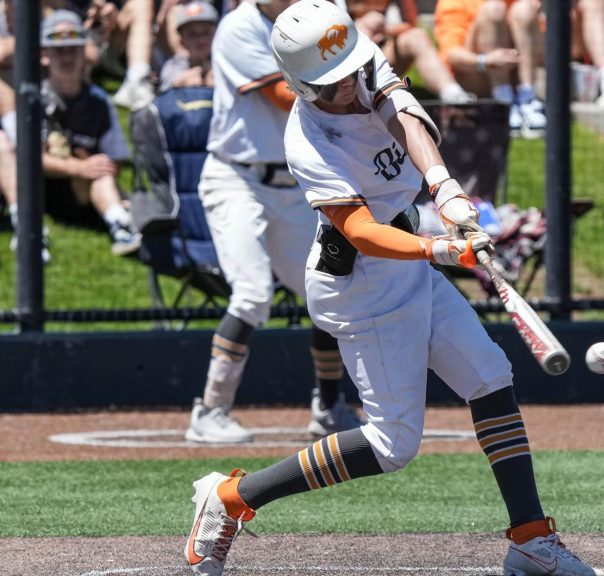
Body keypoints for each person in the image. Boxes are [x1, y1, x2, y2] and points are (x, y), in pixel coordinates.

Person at [184, 3, 604, 576]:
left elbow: (406, 118)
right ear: (304, 86)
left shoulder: (355, 57)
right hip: (361, 286)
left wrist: (448, 192)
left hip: (409, 264)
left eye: (354, 71)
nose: (352, 86)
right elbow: (360, 231)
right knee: (391, 445)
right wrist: (443, 249)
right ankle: (231, 498)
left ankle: (530, 538)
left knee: (489, 376)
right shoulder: (309, 141)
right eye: (334, 84)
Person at [185, 0, 362, 445]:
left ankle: (328, 406)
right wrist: (356, 100)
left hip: (292, 185)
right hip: (237, 177)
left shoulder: (321, 14)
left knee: (327, 291)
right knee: (252, 295)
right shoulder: (239, 26)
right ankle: (209, 411)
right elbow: (283, 95)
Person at [4, 10, 140, 258]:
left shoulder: (99, 101)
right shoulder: (33, 99)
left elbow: (115, 159)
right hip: (42, 187)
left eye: (73, 49)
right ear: (44, 56)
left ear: (83, 54)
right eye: (59, 50)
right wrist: (78, 168)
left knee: (101, 170)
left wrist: (90, 168)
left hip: (86, 190)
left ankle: (120, 223)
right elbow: (29, 158)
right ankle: (30, 228)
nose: (66, 57)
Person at [434, 0, 546, 135]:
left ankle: (527, 98)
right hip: (476, 73)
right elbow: (451, 55)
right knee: (493, 10)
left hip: (517, 71)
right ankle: (503, 103)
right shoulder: (454, 3)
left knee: (525, 9)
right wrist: (486, 60)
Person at [339, 0, 475, 104]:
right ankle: (353, 96)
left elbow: (410, 23)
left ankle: (454, 96)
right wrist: (358, 29)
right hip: (341, 59)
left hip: (382, 55)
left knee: (416, 36)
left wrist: (385, 29)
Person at [158, 0, 216, 91]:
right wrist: (179, 83)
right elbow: (163, 94)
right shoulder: (174, 65)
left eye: (206, 32)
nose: (200, 39)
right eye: (192, 34)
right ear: (182, 41)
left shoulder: (222, 62)